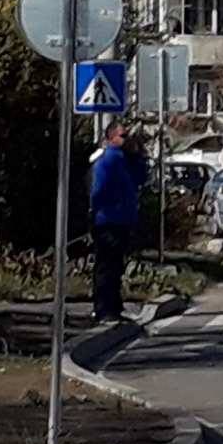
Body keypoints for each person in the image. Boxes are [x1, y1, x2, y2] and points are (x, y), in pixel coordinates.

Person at [87, 121, 144, 324]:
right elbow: (98, 190)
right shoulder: (107, 160)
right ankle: (103, 309)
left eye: (127, 135)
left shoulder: (126, 160)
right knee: (107, 266)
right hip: (108, 220)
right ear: (111, 138)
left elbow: (140, 179)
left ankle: (114, 306)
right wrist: (97, 212)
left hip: (124, 220)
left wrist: (138, 155)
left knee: (117, 266)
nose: (127, 139)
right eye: (123, 136)